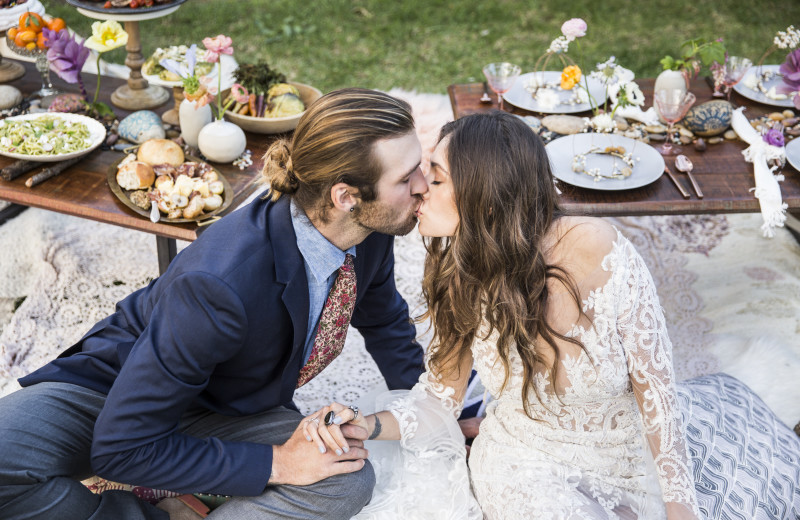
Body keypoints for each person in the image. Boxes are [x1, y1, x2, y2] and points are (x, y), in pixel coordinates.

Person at [307, 111, 800, 519]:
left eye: (435, 177)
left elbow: (656, 388)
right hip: (525, 463)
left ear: (485, 194)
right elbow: (438, 403)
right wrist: (366, 426)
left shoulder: (599, 251)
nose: (418, 189)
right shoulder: (458, 269)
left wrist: (680, 506)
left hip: (626, 448)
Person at [0, 87, 430, 520]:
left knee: (345, 479)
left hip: (228, 407)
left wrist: (435, 409)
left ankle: (185, 502)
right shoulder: (219, 283)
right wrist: (282, 464)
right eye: (406, 176)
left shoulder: (366, 232)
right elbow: (121, 448)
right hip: (121, 385)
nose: (423, 186)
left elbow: (385, 320)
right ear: (345, 196)